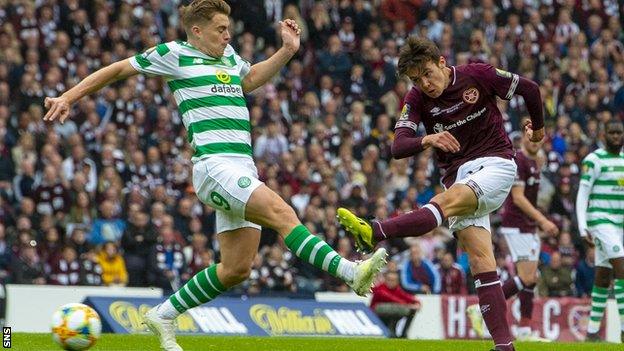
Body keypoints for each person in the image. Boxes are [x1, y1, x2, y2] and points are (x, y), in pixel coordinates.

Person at [43, 1, 387, 350]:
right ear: (196, 30)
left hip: (243, 166)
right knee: (284, 215)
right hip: (214, 165)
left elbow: (250, 79)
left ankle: (163, 314)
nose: (228, 34)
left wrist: (286, 51)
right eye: (221, 29)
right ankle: (350, 273)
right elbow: (118, 70)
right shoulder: (174, 54)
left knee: (236, 269)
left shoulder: (228, 56)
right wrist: (70, 96)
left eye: (228, 28)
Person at [337, 36, 545, 351]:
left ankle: (377, 231)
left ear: (442, 63)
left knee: (446, 202)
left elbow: (530, 89)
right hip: (457, 175)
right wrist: (428, 140)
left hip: (496, 163)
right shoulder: (417, 97)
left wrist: (539, 130)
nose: (425, 83)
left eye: (428, 74)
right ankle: (505, 345)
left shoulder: (478, 75)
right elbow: (398, 146)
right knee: (480, 260)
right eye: (416, 79)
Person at [467, 119, 558, 341]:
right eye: (531, 136)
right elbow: (517, 198)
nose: (535, 141)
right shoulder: (519, 161)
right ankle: (480, 310)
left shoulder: (536, 161)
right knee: (527, 276)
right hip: (517, 224)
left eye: (539, 137)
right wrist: (542, 220)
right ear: (524, 137)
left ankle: (525, 330)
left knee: (531, 278)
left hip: (527, 225)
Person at [576, 119, 624, 343]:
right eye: (612, 133)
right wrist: (582, 225)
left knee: (604, 275)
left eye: (619, 133)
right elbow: (583, 194)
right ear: (604, 135)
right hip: (600, 220)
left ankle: (592, 332)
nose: (616, 136)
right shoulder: (593, 160)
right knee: (621, 267)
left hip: (620, 224)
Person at [370, 270, 421, 338]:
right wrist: (408, 306)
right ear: (385, 280)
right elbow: (390, 298)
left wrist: (417, 303)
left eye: (393, 280)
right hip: (376, 312)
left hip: (393, 311)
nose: (391, 282)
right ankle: (391, 331)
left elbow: (408, 297)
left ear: (397, 281)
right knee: (397, 309)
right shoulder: (380, 288)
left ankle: (403, 334)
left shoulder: (397, 290)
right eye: (389, 280)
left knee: (410, 311)